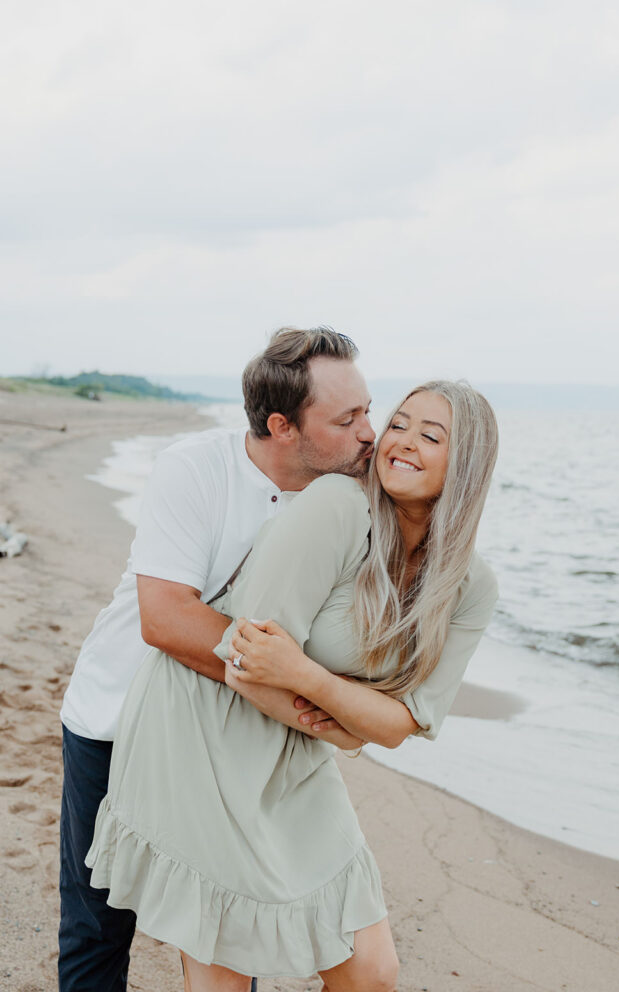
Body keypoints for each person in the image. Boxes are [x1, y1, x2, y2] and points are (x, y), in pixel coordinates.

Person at [85, 380, 499, 992]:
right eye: (400, 423)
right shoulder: (339, 506)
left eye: (430, 436)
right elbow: (250, 663)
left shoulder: (468, 586)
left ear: (465, 466)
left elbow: (398, 725)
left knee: (371, 970)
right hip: (204, 723)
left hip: (295, 748)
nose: (402, 443)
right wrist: (352, 717)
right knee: (223, 963)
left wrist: (310, 680)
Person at [58, 326, 376, 992]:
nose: (369, 433)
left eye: (368, 411)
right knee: (98, 924)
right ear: (284, 425)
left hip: (231, 735)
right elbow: (166, 618)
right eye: (347, 419)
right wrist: (292, 682)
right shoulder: (194, 467)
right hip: (116, 719)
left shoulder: (349, 497)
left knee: (231, 931)